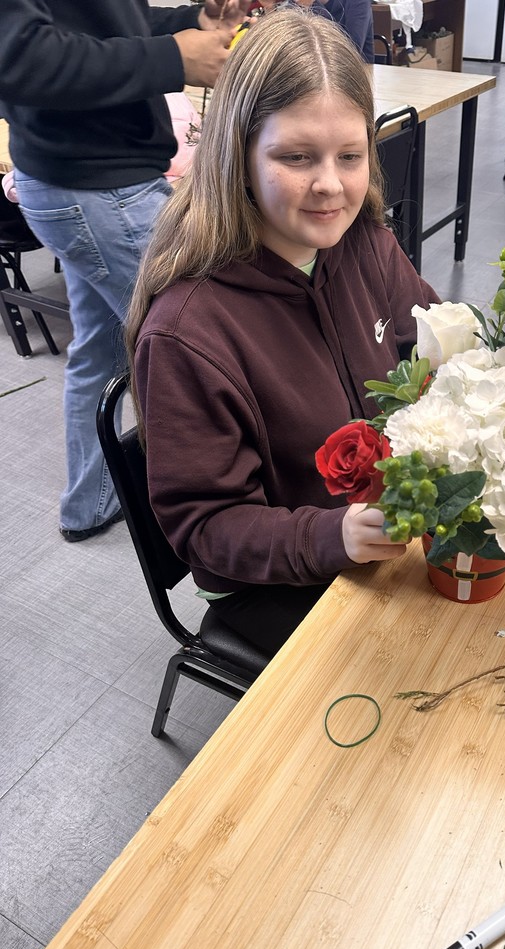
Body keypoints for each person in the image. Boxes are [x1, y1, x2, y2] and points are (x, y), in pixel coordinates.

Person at [125, 9, 439, 656]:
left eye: (350, 156)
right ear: (237, 153)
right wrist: (336, 538)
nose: (330, 184)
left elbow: (434, 346)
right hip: (270, 575)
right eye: (295, 157)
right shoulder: (188, 333)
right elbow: (209, 529)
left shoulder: (364, 245)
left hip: (374, 527)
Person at [0, 0, 251, 542]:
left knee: (102, 349)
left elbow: (105, 23)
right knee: (216, 347)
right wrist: (170, 56)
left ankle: (88, 504)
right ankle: (244, 519)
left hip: (83, 182)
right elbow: (19, 57)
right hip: (96, 188)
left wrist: (186, 24)